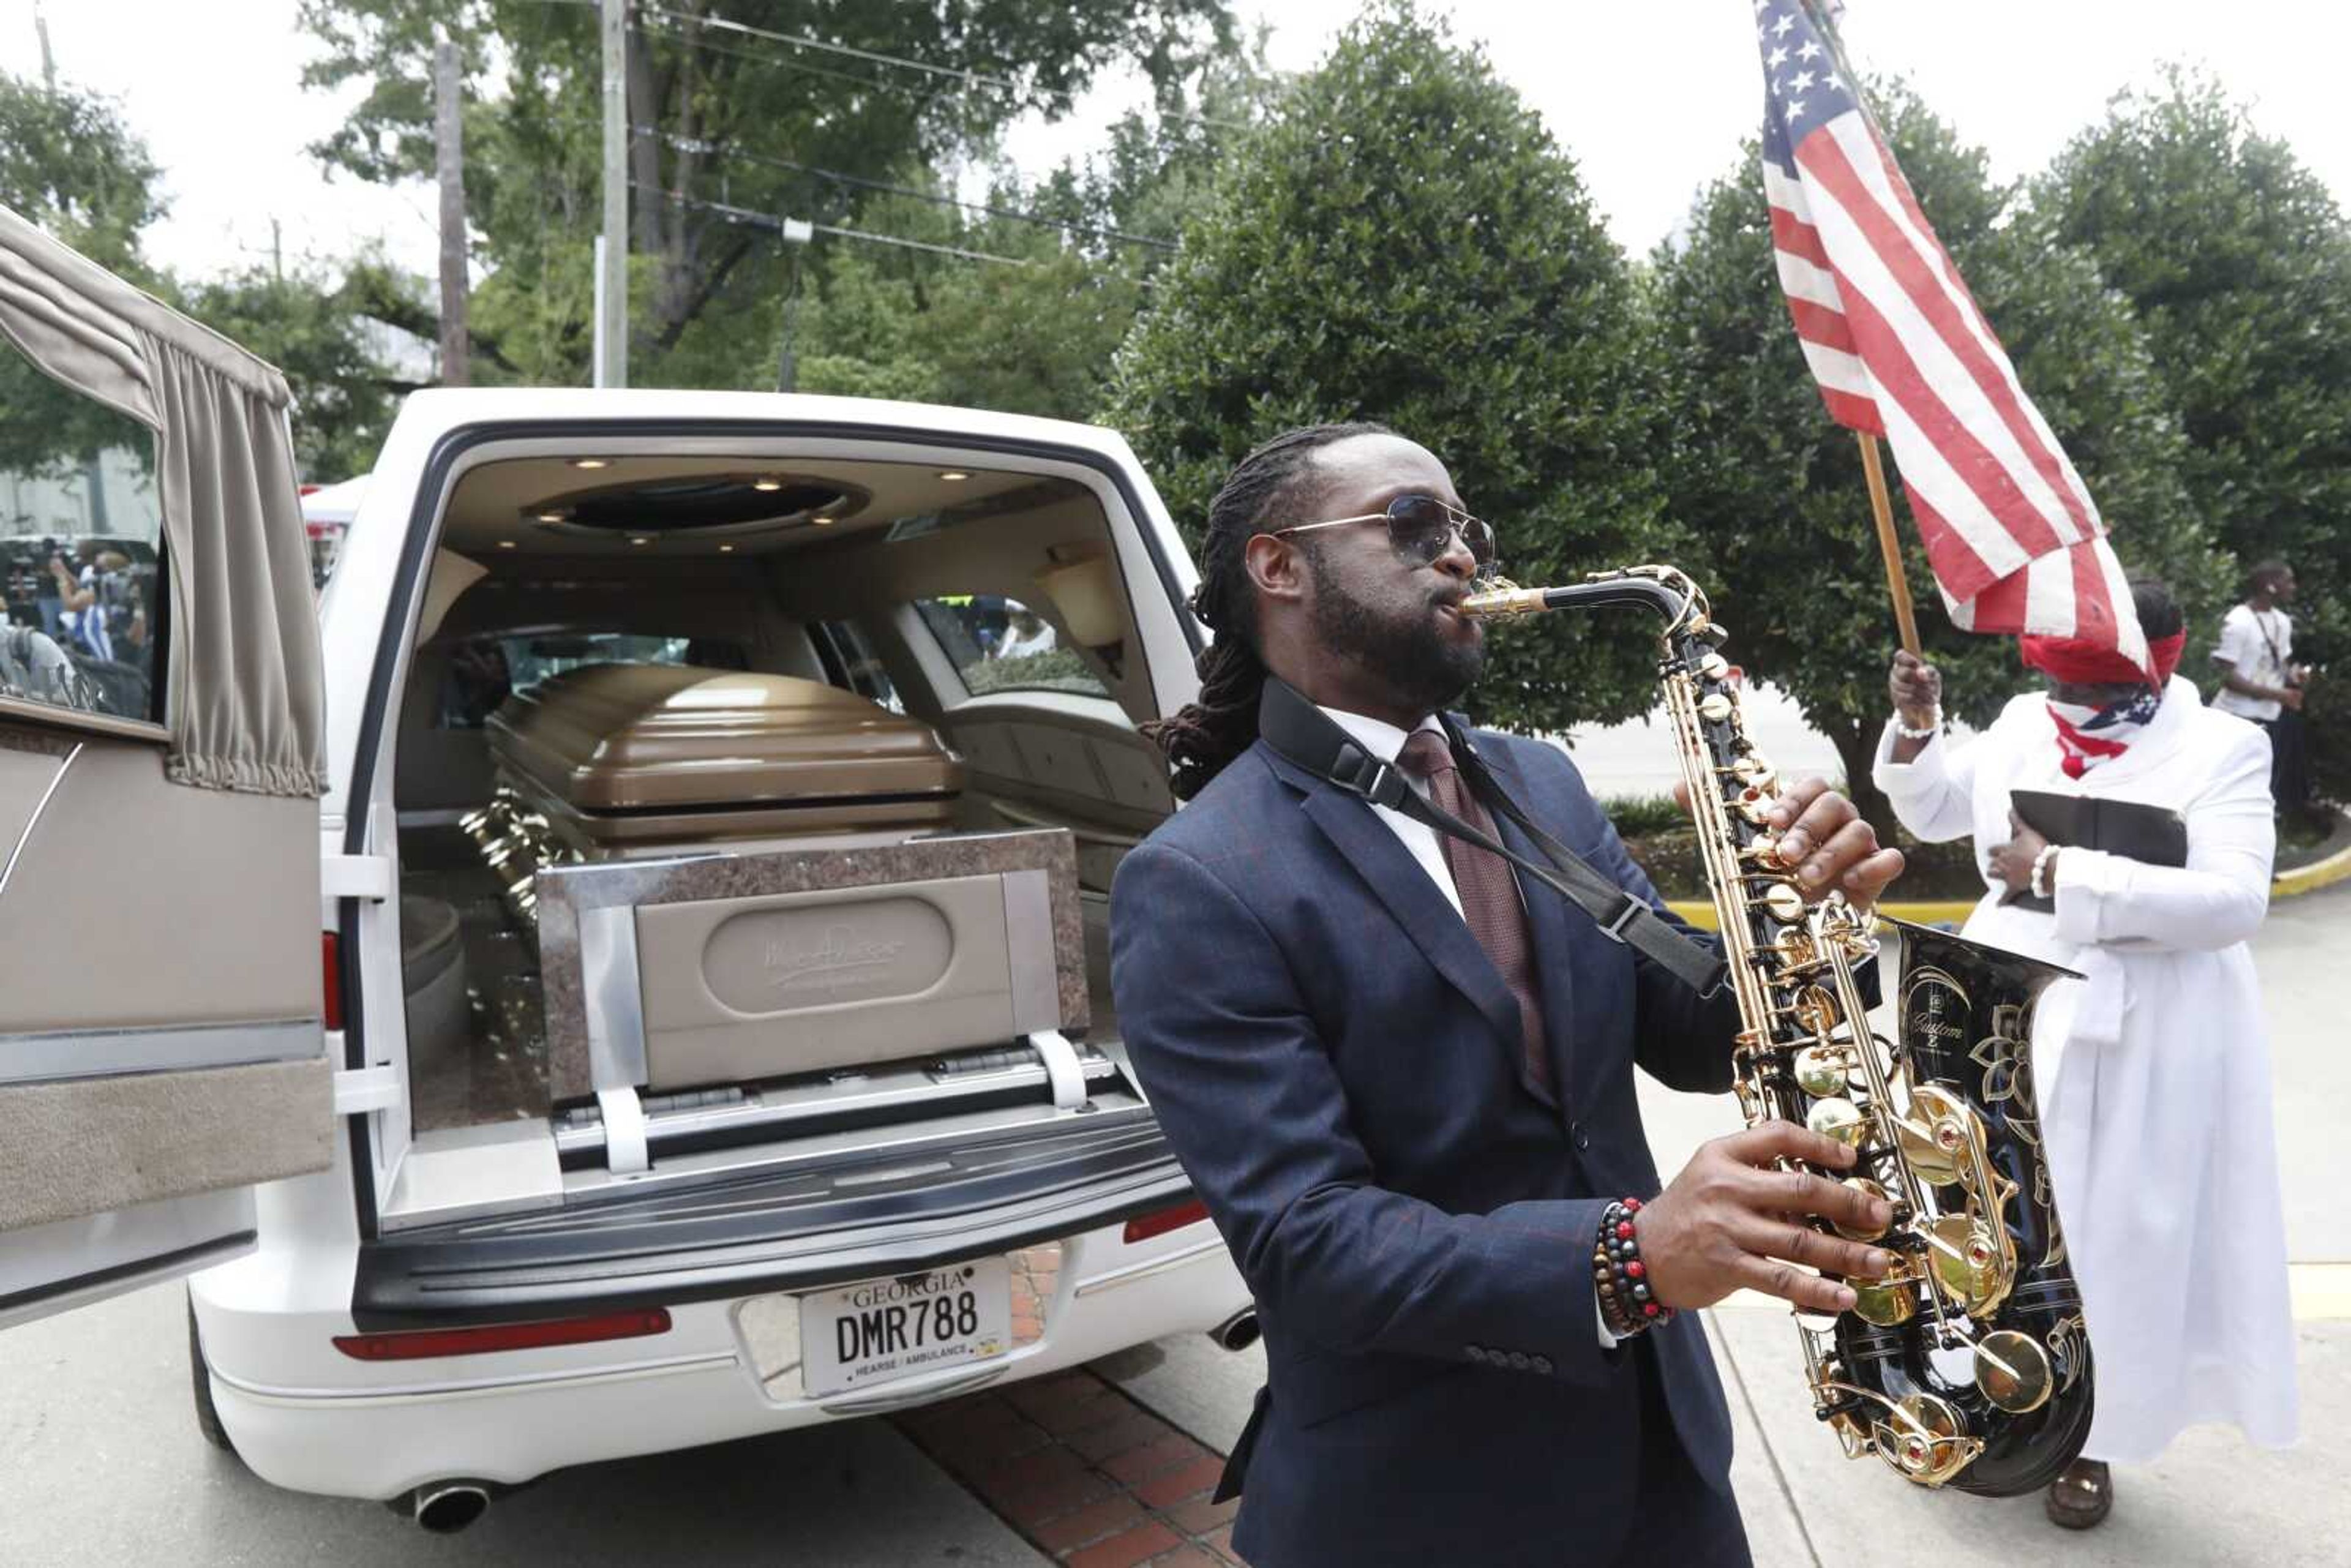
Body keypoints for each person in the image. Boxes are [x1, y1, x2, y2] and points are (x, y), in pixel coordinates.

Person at [1109, 424, 1906, 1568]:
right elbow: (1307, 1243)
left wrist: (1822, 915)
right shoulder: (1194, 880)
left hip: (1661, 1452)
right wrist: (1627, 1259)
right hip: (1423, 1501)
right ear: (1277, 567)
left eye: (1465, 528)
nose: (1463, 557)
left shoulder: (1540, 779)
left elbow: (1687, 1028)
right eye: (1412, 525)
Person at [1877, 581, 2298, 1531]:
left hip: (2151, 1026)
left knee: (2117, 1243)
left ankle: (2092, 1437)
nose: (2074, 708)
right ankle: (1986, 1397)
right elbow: (1942, 808)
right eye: (2063, 686)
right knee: (1992, 1213)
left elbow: (2236, 901)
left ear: (2156, 664)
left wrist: (2062, 870)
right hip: (2006, 1009)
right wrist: (1917, 727)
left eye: (2094, 691)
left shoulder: (2225, 746)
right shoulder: (2026, 718)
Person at [2210, 558, 2314, 820]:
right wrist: (2280, 696)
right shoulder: (2237, 622)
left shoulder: (2281, 621)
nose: (2293, 586)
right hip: (2236, 716)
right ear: (2270, 586)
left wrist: (2294, 675)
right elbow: (2227, 677)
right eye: (2287, 580)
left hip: (2270, 715)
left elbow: (2279, 663)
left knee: (2265, 784)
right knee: (2231, 783)